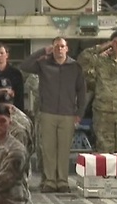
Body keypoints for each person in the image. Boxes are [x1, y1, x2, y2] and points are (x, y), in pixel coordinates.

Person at [19, 36, 86, 193]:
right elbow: (25, 65)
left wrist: (80, 112)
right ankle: (50, 181)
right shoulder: (44, 64)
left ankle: (62, 181)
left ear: (67, 48)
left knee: (63, 149)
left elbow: (81, 91)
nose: (60, 49)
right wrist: (43, 51)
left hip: (68, 113)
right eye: (56, 47)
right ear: (52, 48)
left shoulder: (75, 67)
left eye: (62, 46)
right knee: (48, 149)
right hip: (47, 112)